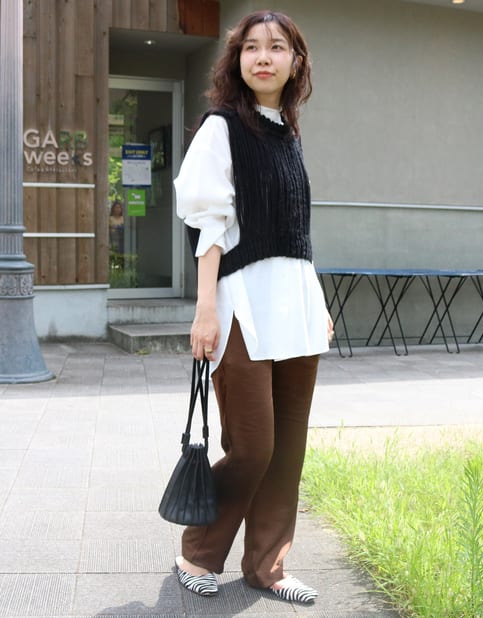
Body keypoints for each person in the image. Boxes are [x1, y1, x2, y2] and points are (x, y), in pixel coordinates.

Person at [173, 10, 333, 605]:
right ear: (237, 60)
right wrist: (205, 309)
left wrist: (316, 302)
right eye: (251, 47)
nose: (263, 57)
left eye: (277, 47)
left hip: (296, 308)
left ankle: (267, 565)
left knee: (287, 450)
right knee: (254, 447)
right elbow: (208, 225)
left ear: (296, 62)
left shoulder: (288, 134)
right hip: (242, 305)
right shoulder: (221, 128)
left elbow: (296, 232)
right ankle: (198, 552)